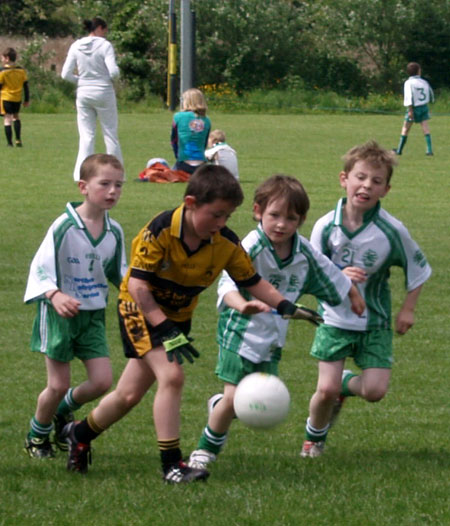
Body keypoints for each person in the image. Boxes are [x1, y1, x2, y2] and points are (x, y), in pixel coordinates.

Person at [61, 165, 313, 483]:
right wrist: (163, 327)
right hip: (139, 308)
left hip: (176, 317)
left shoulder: (225, 243)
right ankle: (172, 465)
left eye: (228, 217)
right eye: (216, 214)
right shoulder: (161, 229)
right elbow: (138, 287)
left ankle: (79, 434)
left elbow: (252, 281)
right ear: (191, 202)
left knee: (128, 395)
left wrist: (286, 305)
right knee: (173, 376)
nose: (221, 224)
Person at [187, 175, 365, 473]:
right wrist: (242, 304)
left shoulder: (303, 251)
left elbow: (329, 272)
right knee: (234, 400)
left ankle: (220, 404)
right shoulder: (249, 246)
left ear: (301, 220)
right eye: (274, 215)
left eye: (290, 218)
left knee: (248, 404)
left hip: (272, 339)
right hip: (238, 333)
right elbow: (226, 286)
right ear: (258, 211)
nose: (281, 224)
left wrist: (352, 293)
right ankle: (204, 452)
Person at [300, 140, 432, 458]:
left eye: (376, 181)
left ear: (385, 189)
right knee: (325, 390)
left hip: (375, 321)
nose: (366, 186)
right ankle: (313, 440)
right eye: (360, 177)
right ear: (344, 179)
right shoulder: (324, 226)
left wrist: (408, 310)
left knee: (375, 392)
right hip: (334, 319)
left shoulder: (391, 231)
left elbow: (419, 268)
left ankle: (346, 384)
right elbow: (309, 273)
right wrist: (338, 276)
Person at [23, 154, 127, 459]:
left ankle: (62, 412)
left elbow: (119, 272)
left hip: (93, 315)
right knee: (57, 385)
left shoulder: (114, 231)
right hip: (59, 316)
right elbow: (39, 267)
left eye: (118, 185)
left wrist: (140, 294)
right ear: (83, 186)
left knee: (102, 381)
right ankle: (37, 436)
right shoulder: (64, 226)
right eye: (104, 184)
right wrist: (55, 295)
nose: (112, 191)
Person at [61, 17, 124, 181]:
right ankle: (116, 173)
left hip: (83, 92)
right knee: (110, 134)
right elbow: (114, 72)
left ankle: (80, 174)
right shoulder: (105, 45)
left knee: (86, 136)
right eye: (105, 30)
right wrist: (109, 80)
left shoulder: (76, 45)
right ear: (100, 28)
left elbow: (65, 74)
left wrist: (80, 81)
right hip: (103, 91)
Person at [394, 62, 434, 156]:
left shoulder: (408, 83)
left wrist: (410, 110)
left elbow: (408, 96)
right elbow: (431, 94)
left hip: (414, 107)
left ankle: (399, 150)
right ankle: (429, 150)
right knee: (425, 128)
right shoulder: (424, 82)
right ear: (418, 71)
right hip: (424, 106)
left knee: (405, 128)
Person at [171, 88, 211, 175]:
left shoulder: (178, 116)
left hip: (184, 163)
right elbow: (204, 144)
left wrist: (177, 156)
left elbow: (174, 140)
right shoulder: (207, 120)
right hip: (201, 165)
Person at [0, 47, 29, 147]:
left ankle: (9, 143)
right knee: (16, 117)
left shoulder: (2, 71)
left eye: (2, 58)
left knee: (7, 119)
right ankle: (18, 139)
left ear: (7, 58)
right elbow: (26, 85)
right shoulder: (21, 71)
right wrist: (27, 99)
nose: (2, 60)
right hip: (17, 98)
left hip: (6, 98)